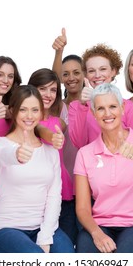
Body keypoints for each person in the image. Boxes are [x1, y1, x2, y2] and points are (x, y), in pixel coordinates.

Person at [74, 83, 133, 253]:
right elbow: (82, 208)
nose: (107, 113)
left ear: (123, 108)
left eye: (112, 106)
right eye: (101, 109)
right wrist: (97, 233)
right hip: (101, 225)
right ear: (94, 114)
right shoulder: (84, 154)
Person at [0, 85, 74, 253]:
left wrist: (45, 236)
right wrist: (17, 154)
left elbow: (54, 196)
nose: (29, 116)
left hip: (42, 227)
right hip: (5, 228)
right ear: (13, 110)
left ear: (41, 113)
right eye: (23, 109)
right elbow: (3, 155)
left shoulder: (50, 151)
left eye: (34, 110)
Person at [28, 68, 77, 244]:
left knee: (67, 246)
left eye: (53, 89)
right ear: (32, 90)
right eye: (43, 88)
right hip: (38, 198)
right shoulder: (25, 121)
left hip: (64, 193)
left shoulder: (60, 123)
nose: (48, 94)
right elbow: (39, 129)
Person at [69, 43, 133, 149]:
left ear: (113, 71)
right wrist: (83, 106)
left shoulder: (128, 106)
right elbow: (79, 143)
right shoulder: (76, 107)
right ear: (86, 75)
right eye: (91, 71)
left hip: (122, 163)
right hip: (91, 164)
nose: (97, 75)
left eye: (103, 69)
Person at [52, 28, 84, 181]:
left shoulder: (95, 105)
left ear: (85, 74)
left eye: (76, 72)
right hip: (62, 182)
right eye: (66, 74)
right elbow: (54, 80)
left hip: (89, 182)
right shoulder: (58, 107)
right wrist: (59, 52)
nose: (71, 78)